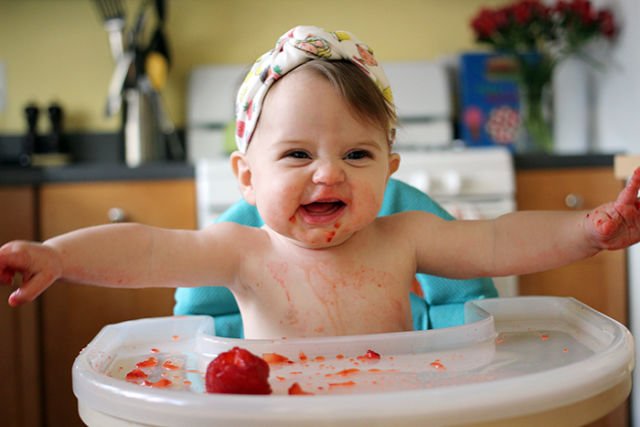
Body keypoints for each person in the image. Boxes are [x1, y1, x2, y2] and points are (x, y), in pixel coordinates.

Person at [1, 26, 640, 339]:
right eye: (298, 153)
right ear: (247, 178)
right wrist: (58, 256)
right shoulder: (238, 251)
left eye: (358, 154)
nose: (329, 173)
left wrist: (587, 230)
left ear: (391, 170)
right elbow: (140, 249)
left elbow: (501, 243)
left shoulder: (405, 238)